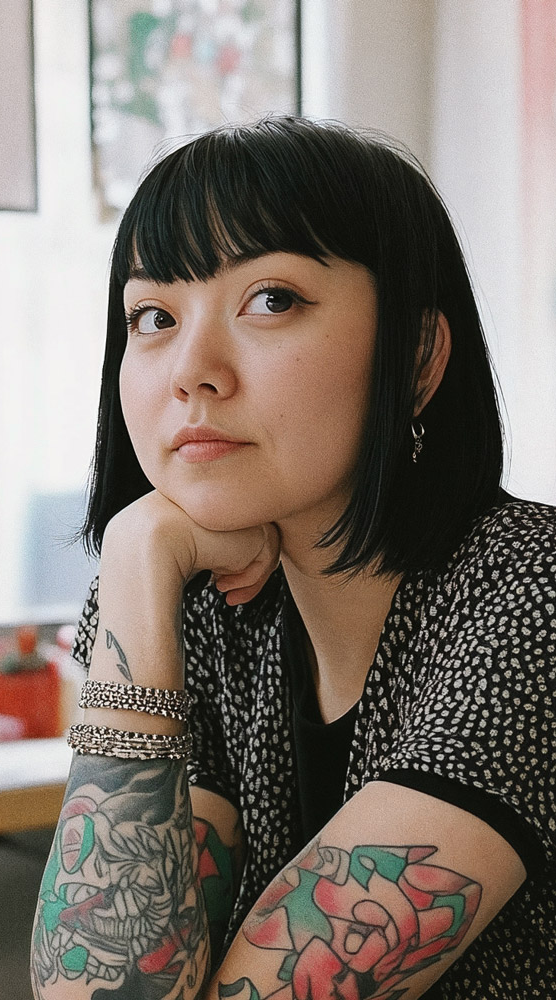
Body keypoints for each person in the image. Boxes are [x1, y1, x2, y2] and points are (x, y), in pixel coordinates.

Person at [30, 116, 555, 1000]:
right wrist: (137, 553)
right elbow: (107, 991)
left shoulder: (531, 599)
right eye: (153, 315)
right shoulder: (200, 605)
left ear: (416, 355)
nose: (191, 370)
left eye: (270, 299)